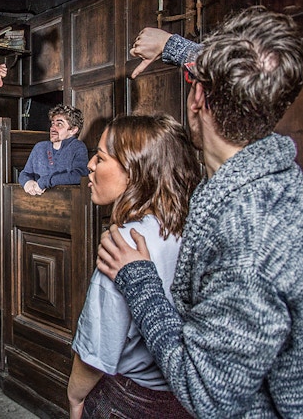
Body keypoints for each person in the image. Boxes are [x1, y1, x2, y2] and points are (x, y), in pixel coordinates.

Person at [97, 7, 303, 416]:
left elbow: (207, 392)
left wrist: (140, 280)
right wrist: (175, 48)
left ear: (197, 97)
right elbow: (251, 74)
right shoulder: (268, 164)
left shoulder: (250, 231)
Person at [67, 114, 200, 419]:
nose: (90, 165)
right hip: (186, 399)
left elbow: (96, 351)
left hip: (131, 399)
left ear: (135, 172)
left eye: (100, 158)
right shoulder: (192, 227)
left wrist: (74, 398)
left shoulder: (124, 244)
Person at [19, 104, 89, 195]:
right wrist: (27, 182)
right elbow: (25, 173)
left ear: (73, 130)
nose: (52, 128)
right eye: (52, 123)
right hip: (36, 203)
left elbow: (80, 175)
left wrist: (45, 182)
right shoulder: (39, 147)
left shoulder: (78, 147)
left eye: (59, 124)